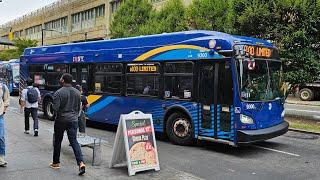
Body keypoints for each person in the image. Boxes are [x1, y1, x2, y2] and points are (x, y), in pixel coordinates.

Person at [50, 73, 86, 175]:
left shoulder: (58, 93)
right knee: (74, 141)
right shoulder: (77, 92)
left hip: (61, 120)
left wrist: (53, 105)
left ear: (63, 80)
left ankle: (56, 163)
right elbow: (78, 107)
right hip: (73, 120)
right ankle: (81, 163)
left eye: (61, 78)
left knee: (58, 141)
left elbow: (55, 108)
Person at [0, 82, 10, 167]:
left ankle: (0, 157)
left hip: (0, 116)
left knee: (1, 137)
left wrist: (3, 111)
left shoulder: (3, 87)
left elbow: (6, 100)